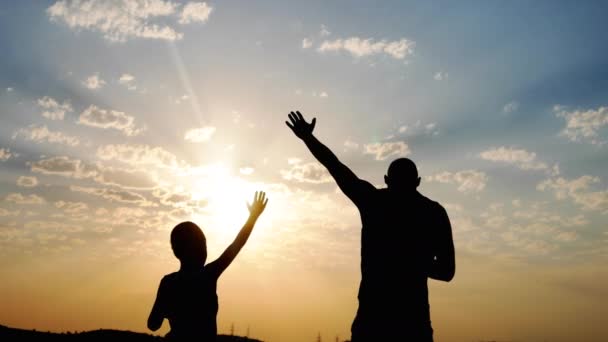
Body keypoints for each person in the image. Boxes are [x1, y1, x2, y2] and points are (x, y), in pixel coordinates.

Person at [286, 111, 455, 341]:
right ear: (418, 182)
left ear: (386, 180)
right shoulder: (433, 213)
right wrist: (416, 263)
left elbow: (335, 166)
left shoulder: (374, 202)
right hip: (411, 324)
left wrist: (308, 138)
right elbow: (447, 271)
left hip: (375, 321)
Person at [147, 191, 269, 341]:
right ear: (194, 249)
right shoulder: (206, 275)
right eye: (202, 245)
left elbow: (153, 324)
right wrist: (253, 217)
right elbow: (237, 245)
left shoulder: (168, 282)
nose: (205, 250)